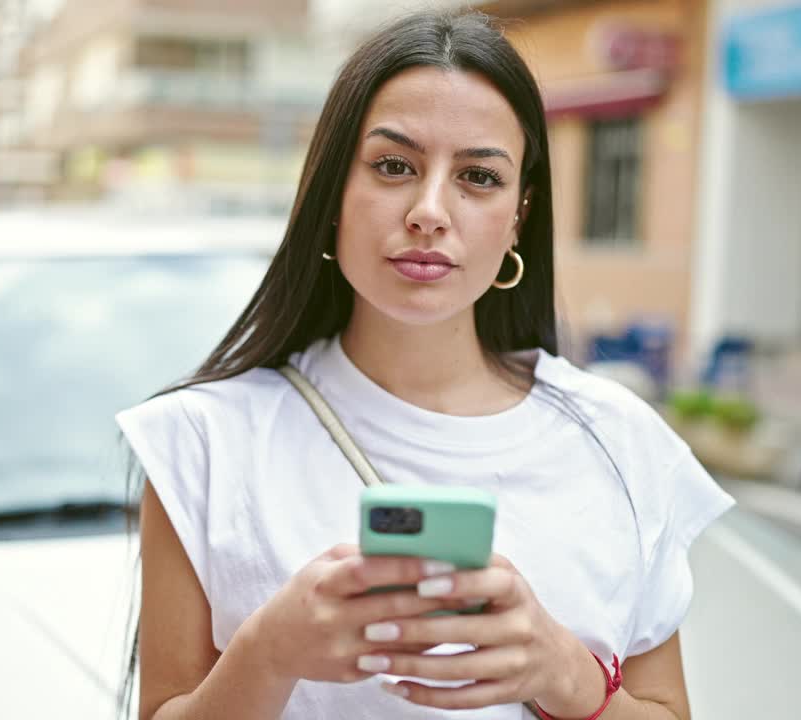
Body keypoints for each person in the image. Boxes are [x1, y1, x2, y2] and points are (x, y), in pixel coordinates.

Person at [116, 11, 733, 720]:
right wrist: (269, 654)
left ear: (518, 216)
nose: (430, 211)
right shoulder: (202, 444)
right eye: (394, 166)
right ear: (331, 192)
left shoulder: (620, 440)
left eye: (477, 176)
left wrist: (564, 672)